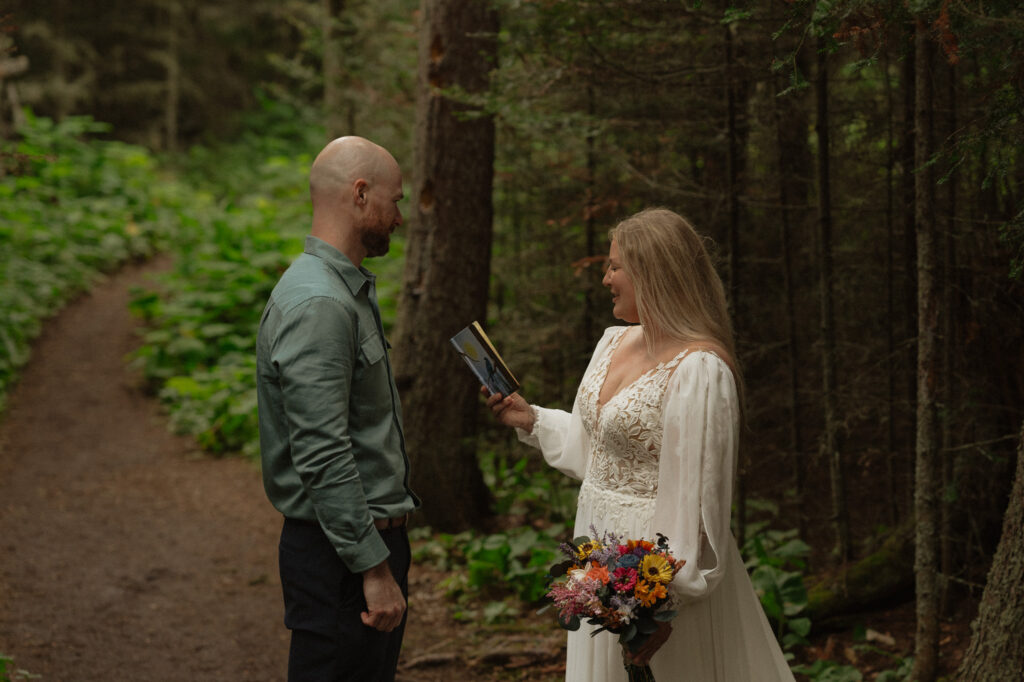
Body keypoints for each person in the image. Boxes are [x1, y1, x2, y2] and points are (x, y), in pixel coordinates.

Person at [486, 208, 795, 681]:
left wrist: (665, 596)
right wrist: (531, 419)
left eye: (614, 267)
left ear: (652, 272)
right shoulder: (613, 342)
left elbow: (698, 496)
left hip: (655, 564)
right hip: (599, 547)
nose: (606, 278)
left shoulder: (699, 370)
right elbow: (599, 452)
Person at [256, 136, 420, 681]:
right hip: (344, 558)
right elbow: (322, 450)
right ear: (359, 194)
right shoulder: (322, 303)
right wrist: (373, 567)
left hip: (354, 547)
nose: (399, 216)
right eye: (394, 200)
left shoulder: (339, 290)